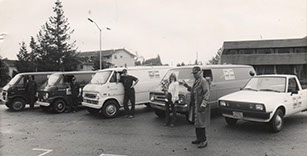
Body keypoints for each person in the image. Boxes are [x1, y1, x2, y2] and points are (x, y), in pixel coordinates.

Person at [183, 66, 210, 148]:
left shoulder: (203, 81)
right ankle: (198, 138)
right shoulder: (197, 81)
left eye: (195, 73)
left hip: (200, 105)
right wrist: (187, 86)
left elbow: (207, 94)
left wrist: (203, 105)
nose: (194, 75)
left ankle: (204, 140)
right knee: (197, 123)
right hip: (195, 105)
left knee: (201, 123)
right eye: (193, 73)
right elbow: (193, 91)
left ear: (200, 72)